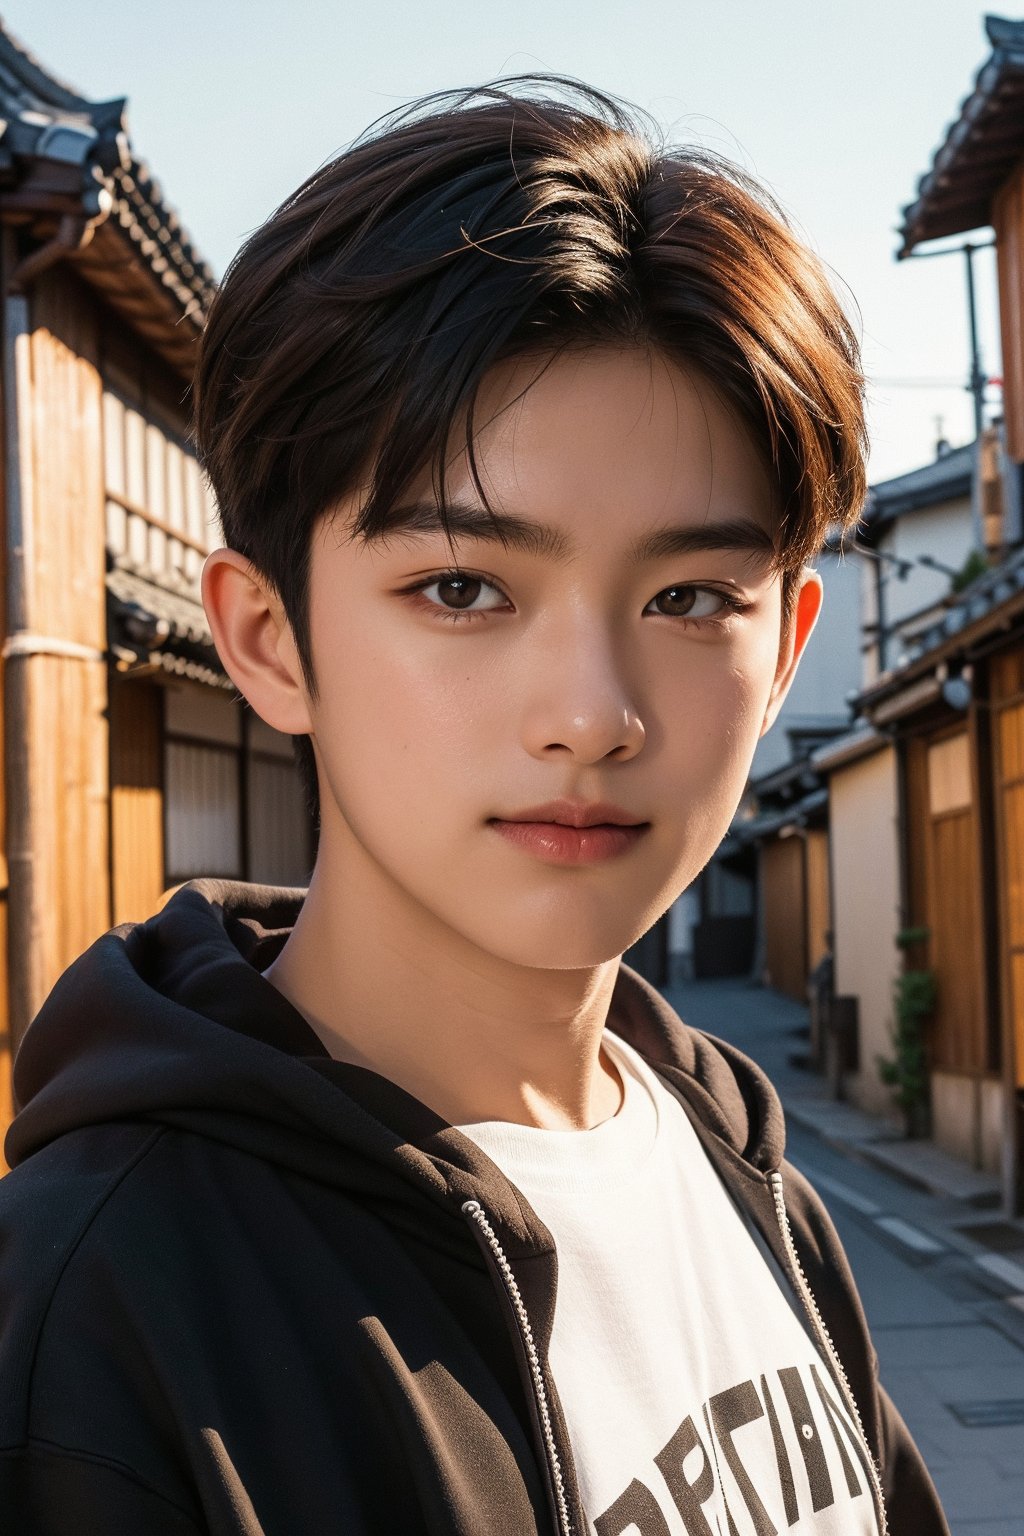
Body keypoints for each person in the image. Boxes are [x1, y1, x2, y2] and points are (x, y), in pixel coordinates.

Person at [0, 79, 948, 1536]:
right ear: (268, 638)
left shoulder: (739, 1171)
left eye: (691, 598)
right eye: (462, 588)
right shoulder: (92, 1325)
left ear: (787, 654)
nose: (592, 712)